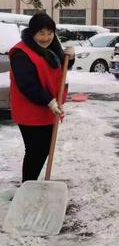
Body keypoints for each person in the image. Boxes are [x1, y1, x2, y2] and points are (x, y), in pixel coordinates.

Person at [9, 13, 75, 182]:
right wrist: (49, 101)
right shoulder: (21, 53)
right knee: (35, 150)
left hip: (48, 109)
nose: (46, 38)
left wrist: (70, 58)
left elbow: (58, 68)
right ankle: (28, 184)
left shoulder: (52, 48)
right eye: (41, 33)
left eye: (50, 33)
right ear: (32, 33)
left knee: (43, 148)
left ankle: (30, 183)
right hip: (30, 110)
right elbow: (27, 84)